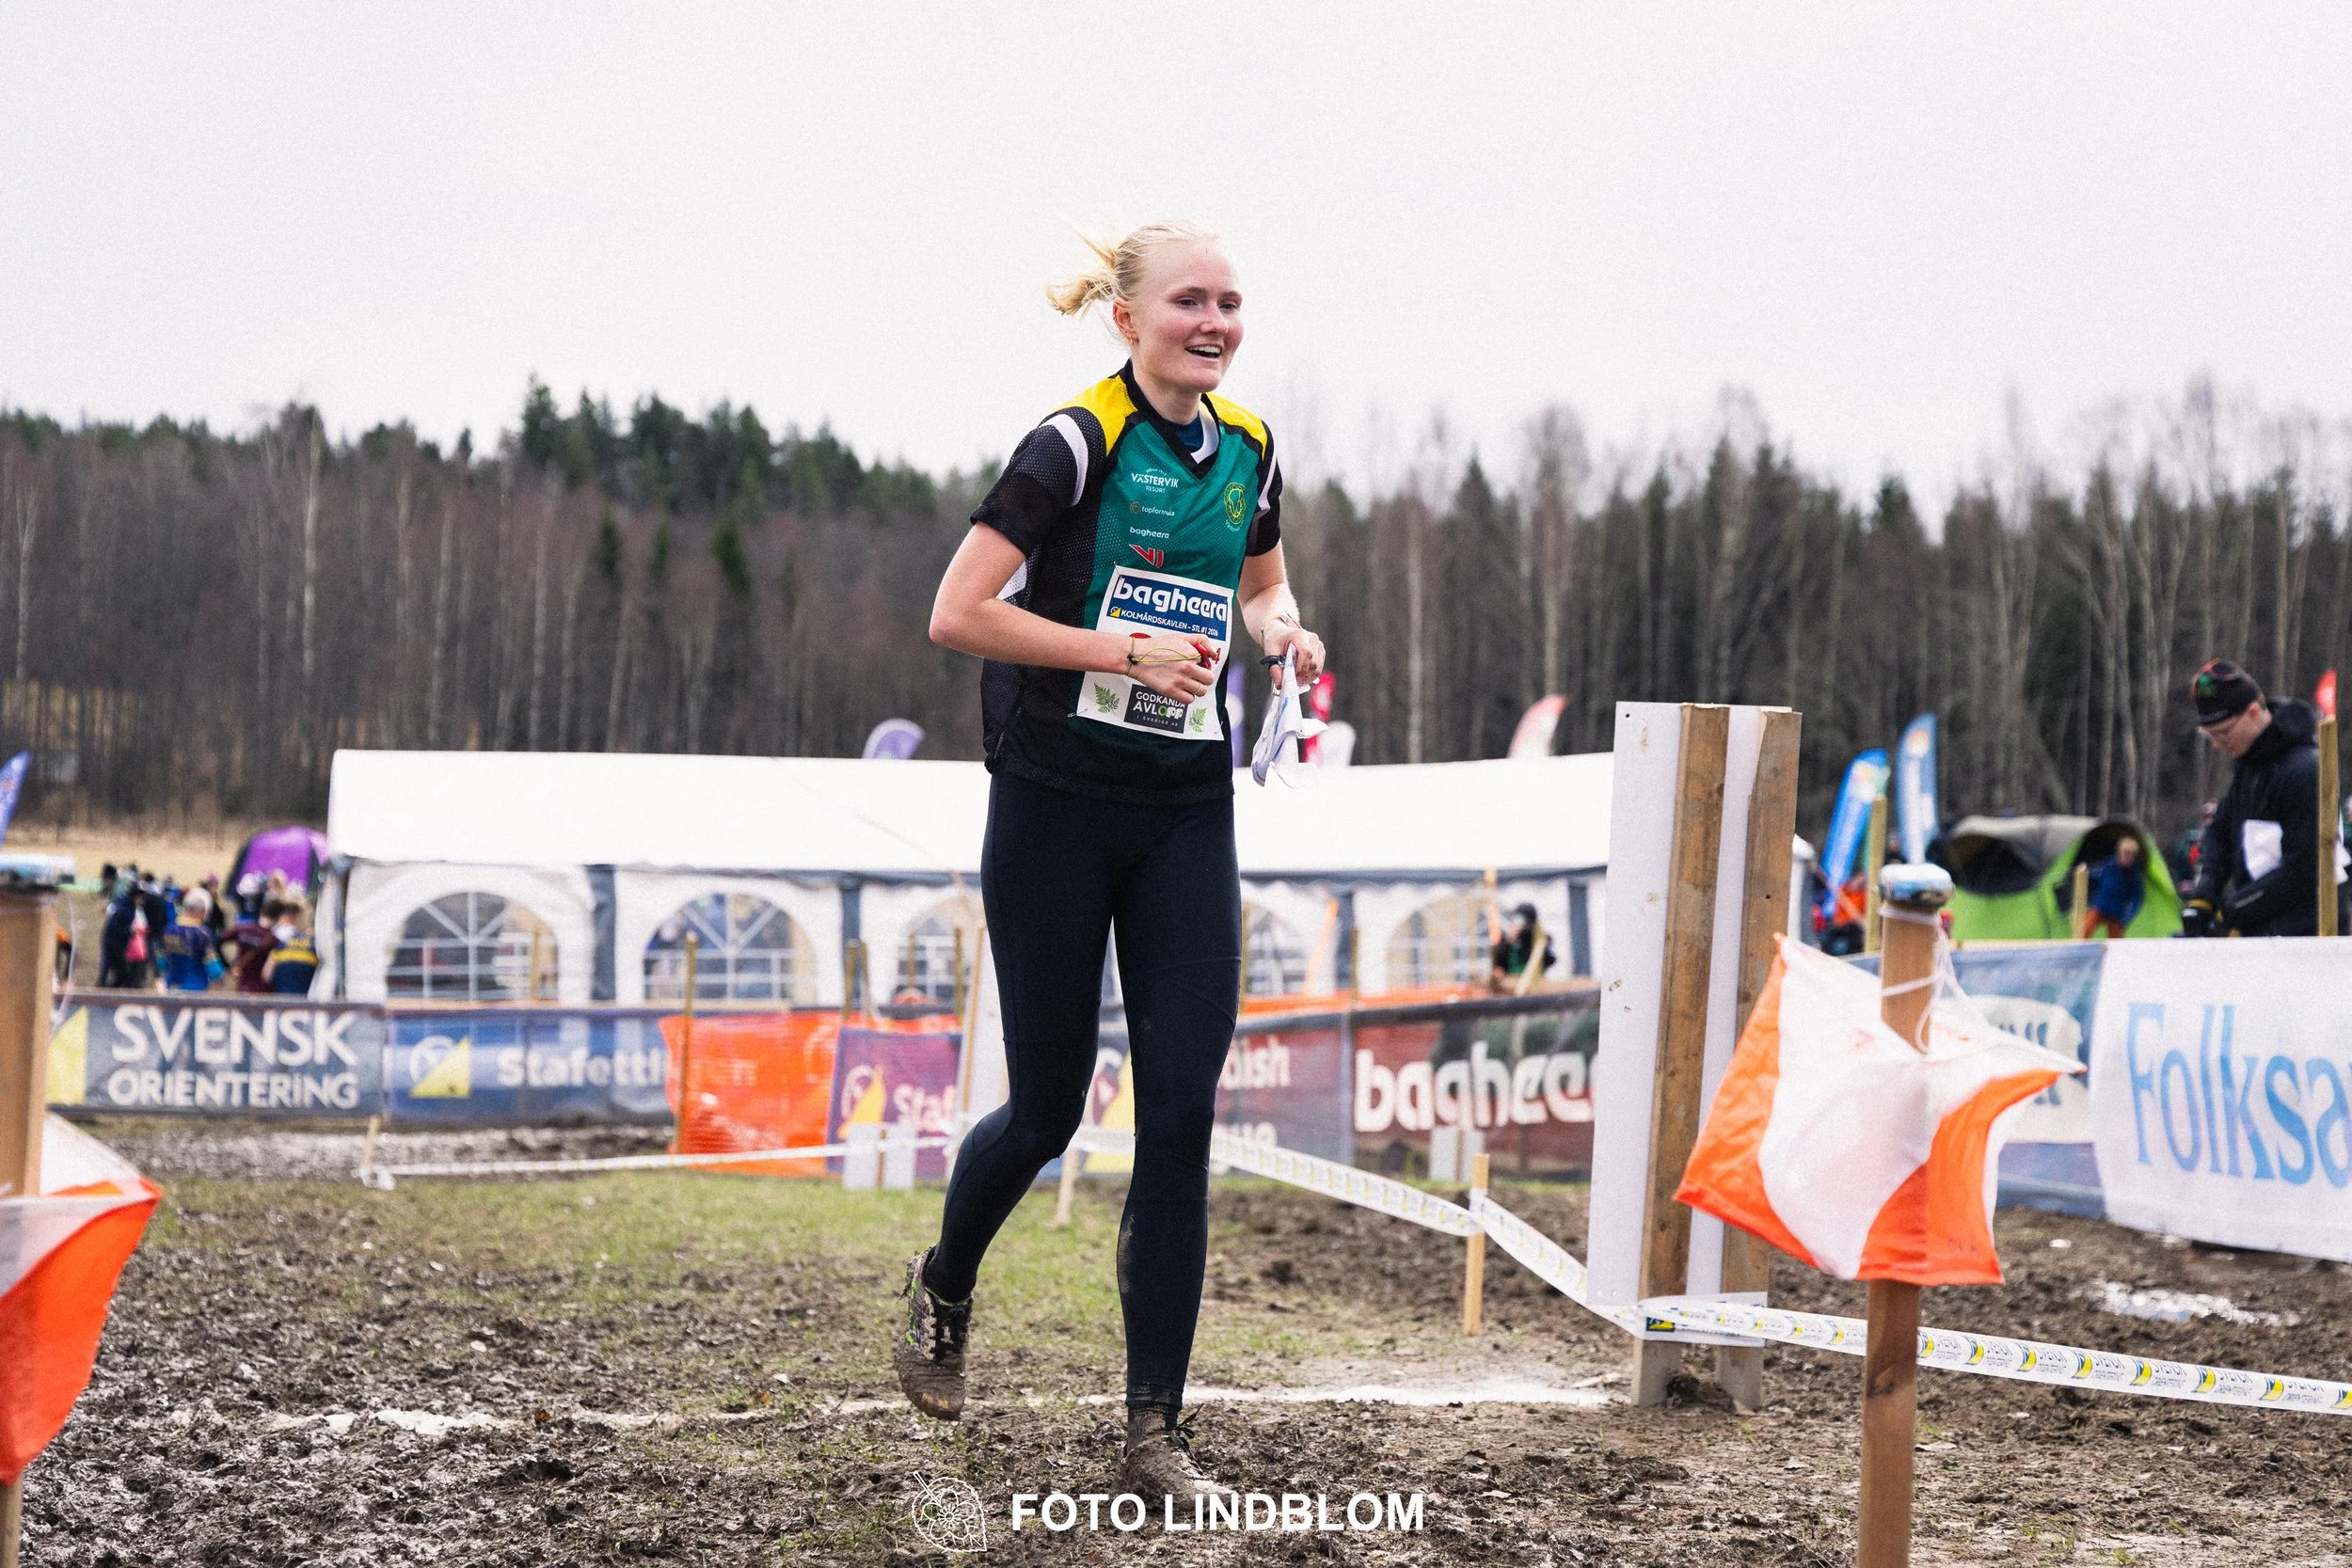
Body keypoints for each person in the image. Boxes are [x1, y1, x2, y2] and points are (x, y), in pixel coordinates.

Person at [892, 221, 1322, 1502]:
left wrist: (1285, 632)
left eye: (1232, 303)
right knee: (1048, 1102)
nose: (1216, 320)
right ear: (1128, 317)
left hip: (1186, 803)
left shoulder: (1247, 446)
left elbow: (1261, 586)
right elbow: (957, 611)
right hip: (1054, 800)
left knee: (1181, 1114)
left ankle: (1153, 1434)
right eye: (1190, 299)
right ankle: (945, 1282)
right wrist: (1118, 650)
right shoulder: (1072, 441)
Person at [2181, 658, 2349, 937]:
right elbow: (2219, 833)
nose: (2217, 744)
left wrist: (2233, 911)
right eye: (2210, 735)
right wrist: (2205, 895)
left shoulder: (2304, 770)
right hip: (2262, 930)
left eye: (2223, 732)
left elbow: (2305, 868)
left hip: (2309, 936)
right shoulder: (2249, 766)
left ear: (2253, 713)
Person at [2082, 835, 2145, 940]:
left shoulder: (2135, 876)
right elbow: (2094, 878)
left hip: (2117, 912)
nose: (2127, 857)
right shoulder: (2109, 865)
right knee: (2085, 929)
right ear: (2120, 852)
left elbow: (2137, 899)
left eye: (2131, 854)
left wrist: (2127, 918)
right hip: (2100, 906)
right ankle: (2080, 952)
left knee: (2116, 942)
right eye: (2125, 853)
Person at [158, 888, 217, 991]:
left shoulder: (168, 929)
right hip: (197, 987)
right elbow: (214, 969)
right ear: (204, 911)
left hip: (171, 985)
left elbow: (162, 962)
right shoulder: (203, 933)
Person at [1489, 903, 1556, 991]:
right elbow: (1496, 960)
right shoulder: (1508, 941)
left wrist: (1526, 939)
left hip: (1533, 985)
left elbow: (1550, 959)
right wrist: (1507, 941)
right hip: (1511, 985)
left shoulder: (1537, 939)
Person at [263, 896, 319, 996]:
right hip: (307, 1003)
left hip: (281, 1001)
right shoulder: (314, 944)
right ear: (298, 916)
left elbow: (266, 974)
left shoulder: (280, 942)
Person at [225, 898, 279, 994]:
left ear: (262, 911)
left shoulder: (243, 929)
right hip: (262, 989)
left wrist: (226, 965)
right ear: (278, 917)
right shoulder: (274, 939)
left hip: (242, 985)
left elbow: (218, 940)